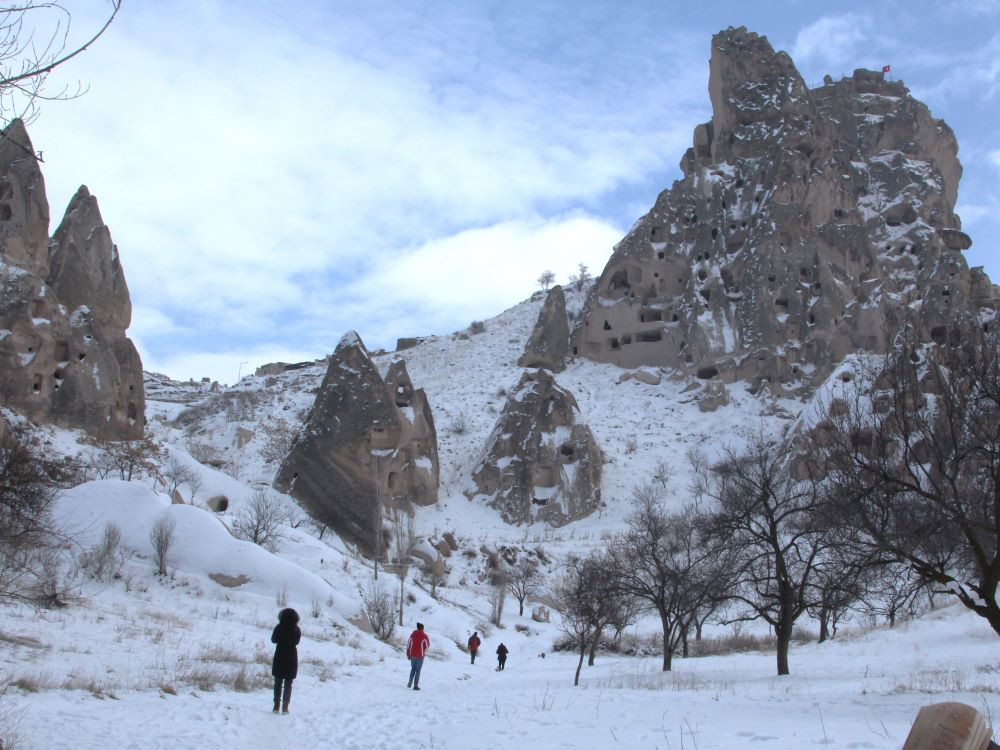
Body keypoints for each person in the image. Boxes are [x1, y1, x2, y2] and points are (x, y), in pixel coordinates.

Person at [271, 607, 301, 714]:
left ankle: (276, 706)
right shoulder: (296, 629)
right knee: (289, 683)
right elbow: (297, 642)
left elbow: (273, 640)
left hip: (279, 655)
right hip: (291, 657)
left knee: (277, 682)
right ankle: (285, 707)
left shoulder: (279, 627)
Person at [406, 622, 430, 690]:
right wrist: (423, 648)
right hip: (420, 655)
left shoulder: (413, 634)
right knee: (418, 670)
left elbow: (408, 644)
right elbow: (427, 645)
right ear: (422, 628)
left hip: (412, 655)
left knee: (413, 669)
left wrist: (408, 654)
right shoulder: (424, 635)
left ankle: (409, 682)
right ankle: (415, 686)